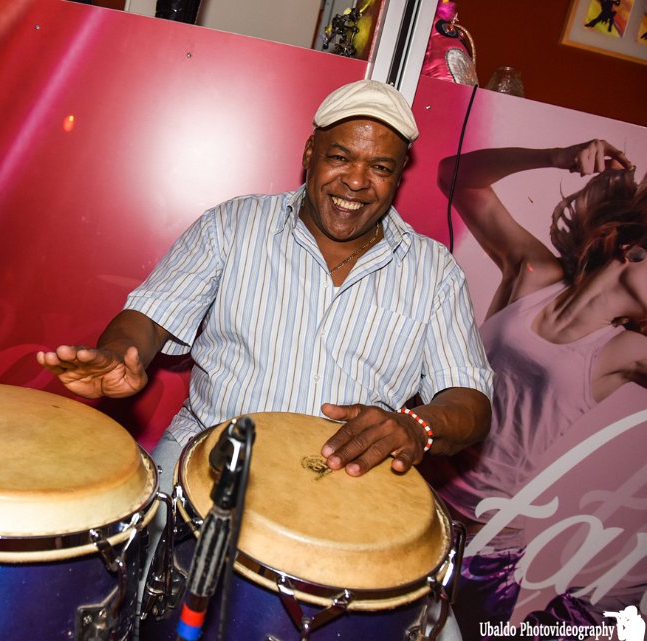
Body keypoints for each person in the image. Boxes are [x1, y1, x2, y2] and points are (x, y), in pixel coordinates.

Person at [38, 78, 493, 633]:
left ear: (398, 177)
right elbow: (150, 318)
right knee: (114, 599)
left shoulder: (434, 272)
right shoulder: (233, 226)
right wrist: (118, 353)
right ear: (309, 153)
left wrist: (419, 425)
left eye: (380, 167)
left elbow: (470, 402)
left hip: (351, 489)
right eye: (340, 157)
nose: (356, 181)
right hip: (207, 466)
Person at [431, 140, 647, 639]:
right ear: (634, 249)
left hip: (484, 541)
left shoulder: (626, 350)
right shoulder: (535, 274)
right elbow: (455, 175)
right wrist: (555, 157)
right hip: (414, 493)